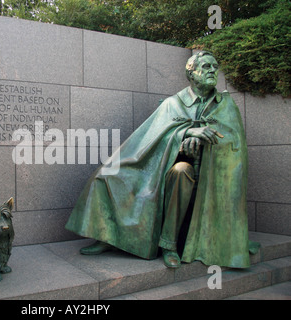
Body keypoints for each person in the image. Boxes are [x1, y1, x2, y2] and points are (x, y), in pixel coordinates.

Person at [65, 51, 254, 268]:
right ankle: (107, 236)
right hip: (159, 165)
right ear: (191, 74)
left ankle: (169, 245)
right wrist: (187, 134)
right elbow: (151, 138)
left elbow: (233, 144)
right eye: (206, 67)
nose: (213, 71)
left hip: (206, 172)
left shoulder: (225, 105)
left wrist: (201, 143)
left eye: (214, 66)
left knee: (182, 172)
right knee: (105, 176)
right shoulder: (173, 104)